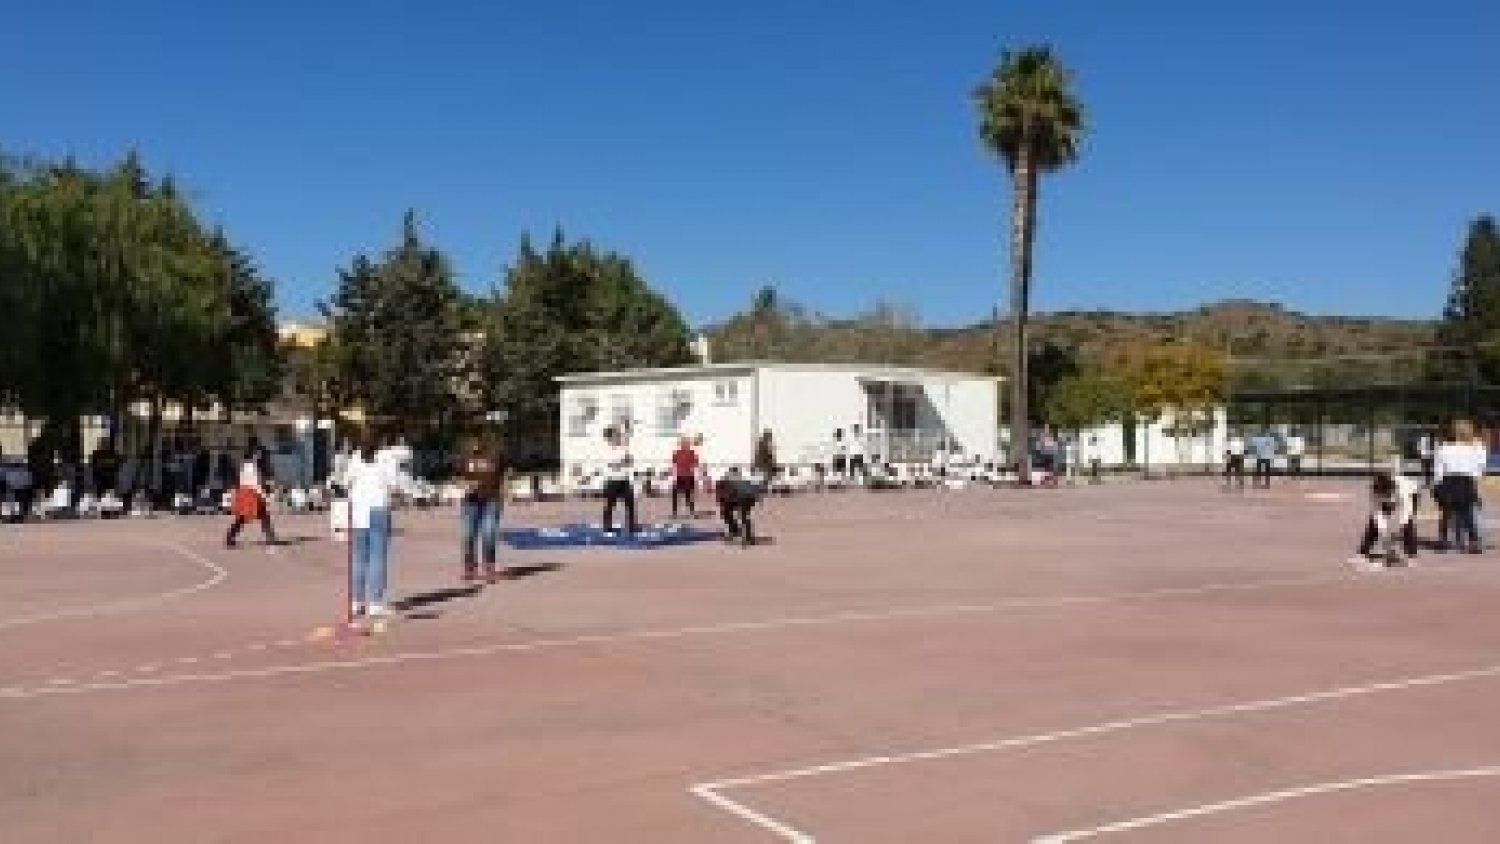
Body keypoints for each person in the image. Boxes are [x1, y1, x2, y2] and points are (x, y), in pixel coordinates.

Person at [346, 434, 399, 618]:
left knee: (359, 558)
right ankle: (375, 603)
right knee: (378, 557)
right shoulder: (387, 457)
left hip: (359, 508)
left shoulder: (355, 457)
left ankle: (356, 602)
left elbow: (346, 482)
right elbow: (393, 482)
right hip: (378, 507)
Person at [1350, 462, 1418, 570]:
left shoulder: (1403, 490)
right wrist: (1385, 536)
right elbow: (1377, 514)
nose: (1384, 497)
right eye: (1381, 494)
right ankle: (1363, 553)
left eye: (1386, 494)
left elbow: (1405, 513)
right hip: (1395, 497)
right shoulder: (1374, 490)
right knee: (1373, 523)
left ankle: (1411, 556)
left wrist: (1396, 532)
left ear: (1391, 489)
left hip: (1413, 493)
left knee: (1408, 525)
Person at [458, 439, 508, 583]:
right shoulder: (465, 456)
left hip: (492, 500)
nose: (472, 446)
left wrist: (505, 490)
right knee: (468, 535)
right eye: (470, 443)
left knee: (489, 534)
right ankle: (470, 568)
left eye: (474, 441)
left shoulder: (496, 454)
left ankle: (489, 568)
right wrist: (464, 485)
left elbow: (506, 472)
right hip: (470, 502)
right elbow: (458, 476)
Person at [1433, 419, 1485, 554]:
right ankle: (1473, 542)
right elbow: (1479, 468)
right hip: (1466, 480)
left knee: (1447, 513)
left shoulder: (1444, 447)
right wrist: (1475, 483)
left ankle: (1444, 541)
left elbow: (1438, 469)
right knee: (1467, 513)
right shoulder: (1476, 447)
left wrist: (1437, 485)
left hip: (1448, 480)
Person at [225, 446, 279, 550]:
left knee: (248, 517)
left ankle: (230, 537)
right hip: (251, 493)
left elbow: (243, 480)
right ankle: (270, 537)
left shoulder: (245, 466)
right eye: (257, 454)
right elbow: (255, 483)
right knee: (257, 515)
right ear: (254, 455)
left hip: (244, 491)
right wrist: (263, 495)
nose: (259, 456)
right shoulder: (253, 467)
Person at [601, 425, 639, 535]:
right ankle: (607, 527)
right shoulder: (606, 450)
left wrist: (624, 461)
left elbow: (630, 460)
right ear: (609, 438)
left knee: (630, 504)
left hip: (624, 480)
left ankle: (631, 526)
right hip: (612, 480)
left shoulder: (623, 448)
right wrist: (622, 462)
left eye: (618, 435)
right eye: (615, 435)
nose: (618, 437)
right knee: (609, 504)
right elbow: (612, 464)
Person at [715, 467, 762, 548]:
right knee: (735, 514)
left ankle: (745, 536)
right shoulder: (726, 482)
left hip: (744, 498)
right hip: (741, 498)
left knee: (741, 516)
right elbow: (721, 496)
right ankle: (738, 533)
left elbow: (721, 496)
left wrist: (723, 504)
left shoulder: (730, 482)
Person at [670, 437, 699, 519]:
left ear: (688, 444)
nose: (684, 445)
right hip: (680, 477)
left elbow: (696, 464)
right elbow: (674, 464)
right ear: (681, 444)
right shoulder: (676, 453)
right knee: (675, 494)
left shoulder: (692, 453)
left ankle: (692, 512)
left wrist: (690, 468)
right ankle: (675, 512)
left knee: (689, 496)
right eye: (683, 443)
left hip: (689, 477)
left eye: (686, 443)